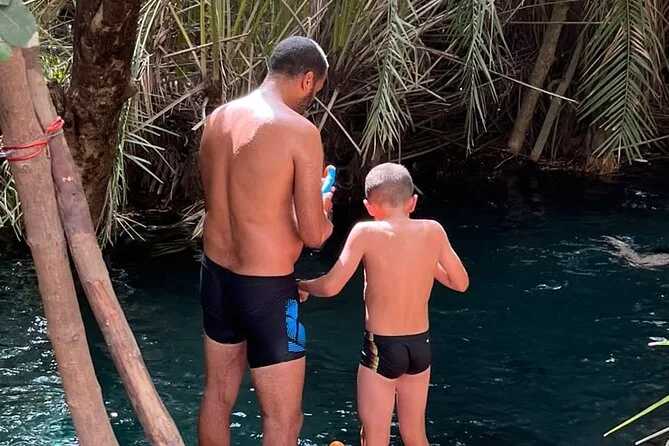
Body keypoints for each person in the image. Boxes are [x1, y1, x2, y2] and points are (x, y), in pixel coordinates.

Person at [197, 36, 334, 446]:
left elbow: (245, 204)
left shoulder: (218, 119)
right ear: (307, 79)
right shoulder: (299, 131)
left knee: (217, 398)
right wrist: (325, 210)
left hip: (215, 276)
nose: (311, 98)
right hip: (267, 292)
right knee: (283, 420)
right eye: (316, 90)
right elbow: (313, 235)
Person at [298, 162, 469, 446]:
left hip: (382, 348)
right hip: (419, 346)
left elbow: (330, 286)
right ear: (413, 202)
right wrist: (427, 262)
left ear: (369, 206)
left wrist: (303, 285)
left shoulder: (365, 232)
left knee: (374, 437)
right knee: (415, 435)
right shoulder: (433, 231)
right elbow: (460, 283)